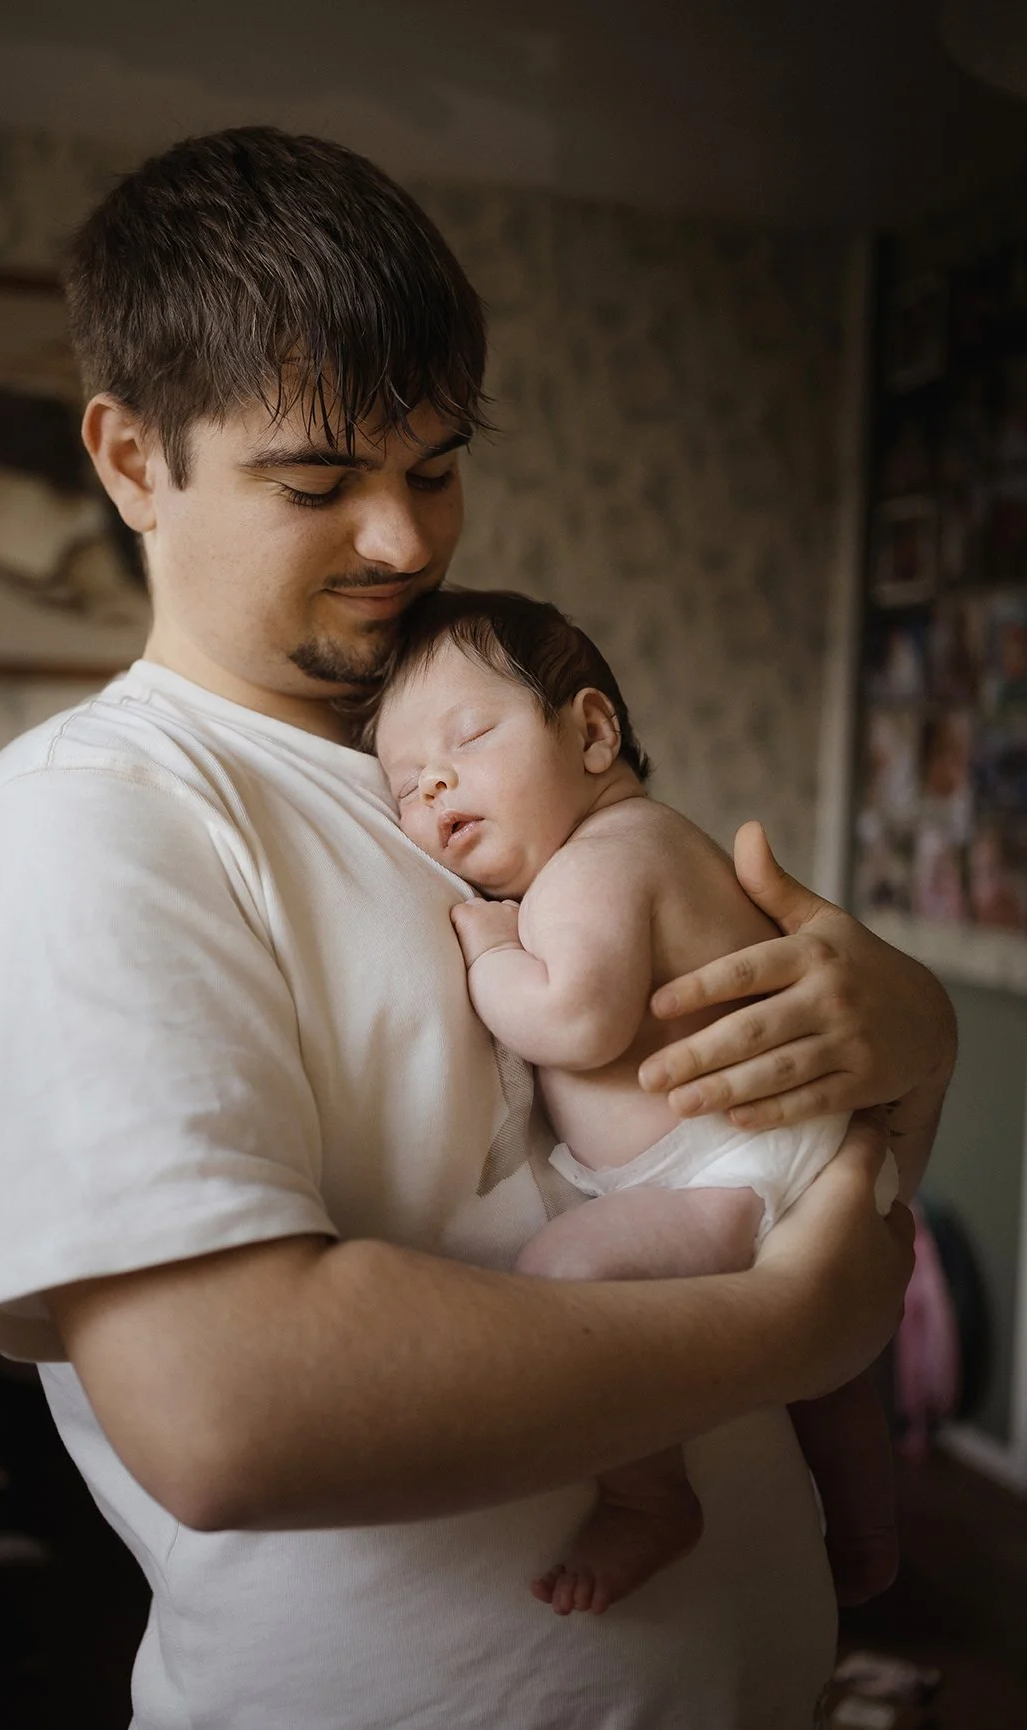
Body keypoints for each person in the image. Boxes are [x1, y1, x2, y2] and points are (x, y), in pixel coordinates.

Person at [0, 127, 951, 1730]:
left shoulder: (474, 789)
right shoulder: (92, 819)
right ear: (130, 461)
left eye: (436, 464)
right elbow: (226, 1410)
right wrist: (784, 1329)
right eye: (320, 482)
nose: (405, 541)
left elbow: (757, 1146)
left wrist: (912, 1028)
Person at [371, 586, 902, 1619]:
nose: (434, 781)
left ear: (593, 732)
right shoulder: (651, 843)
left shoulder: (599, 861)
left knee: (567, 1268)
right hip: (784, 1152)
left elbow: (577, 1021)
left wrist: (490, 954)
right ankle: (871, 1529)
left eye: (469, 736)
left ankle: (649, 1494)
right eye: (402, 785)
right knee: (828, 1377)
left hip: (729, 1166)